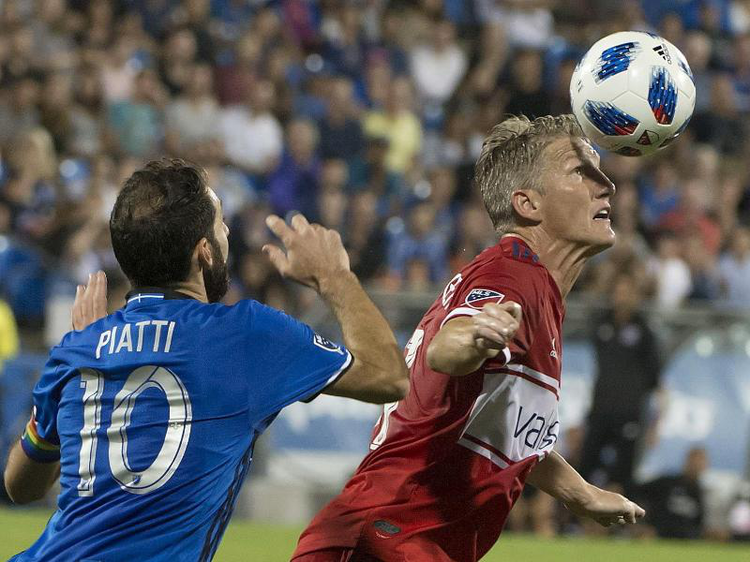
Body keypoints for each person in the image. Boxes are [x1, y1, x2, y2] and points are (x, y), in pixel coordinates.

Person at [3, 159, 409, 562]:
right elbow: (389, 377)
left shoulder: (78, 349)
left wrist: (74, 378)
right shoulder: (246, 334)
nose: (227, 232)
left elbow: (20, 487)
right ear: (204, 253)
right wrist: (334, 277)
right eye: (220, 225)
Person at [292, 115, 645, 562]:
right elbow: (447, 346)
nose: (607, 185)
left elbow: (512, 434)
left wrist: (580, 494)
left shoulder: (536, 291)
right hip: (385, 539)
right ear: (528, 204)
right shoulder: (513, 276)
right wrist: (475, 335)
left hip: (397, 538)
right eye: (581, 171)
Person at [578, 270, 662, 497]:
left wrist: (655, 425)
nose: (622, 297)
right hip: (600, 409)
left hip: (629, 413)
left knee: (623, 474)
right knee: (585, 466)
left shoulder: (645, 332)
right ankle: (574, 521)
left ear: (636, 296)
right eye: (618, 291)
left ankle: (620, 525)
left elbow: (657, 382)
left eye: (627, 292)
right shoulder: (602, 324)